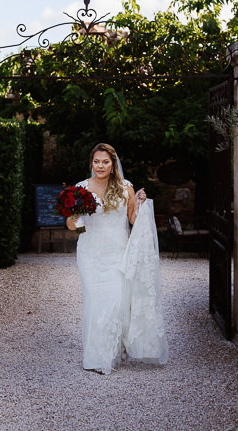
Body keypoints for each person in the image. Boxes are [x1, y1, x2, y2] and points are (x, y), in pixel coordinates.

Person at [66, 143, 169, 374]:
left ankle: (109, 353)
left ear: (113, 164)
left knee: (113, 302)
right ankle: (95, 356)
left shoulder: (125, 187)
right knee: (95, 302)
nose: (100, 166)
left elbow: (132, 219)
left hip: (117, 253)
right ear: (91, 163)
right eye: (96, 161)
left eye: (105, 162)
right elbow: (73, 226)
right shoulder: (81, 189)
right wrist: (74, 217)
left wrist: (141, 203)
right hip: (90, 254)